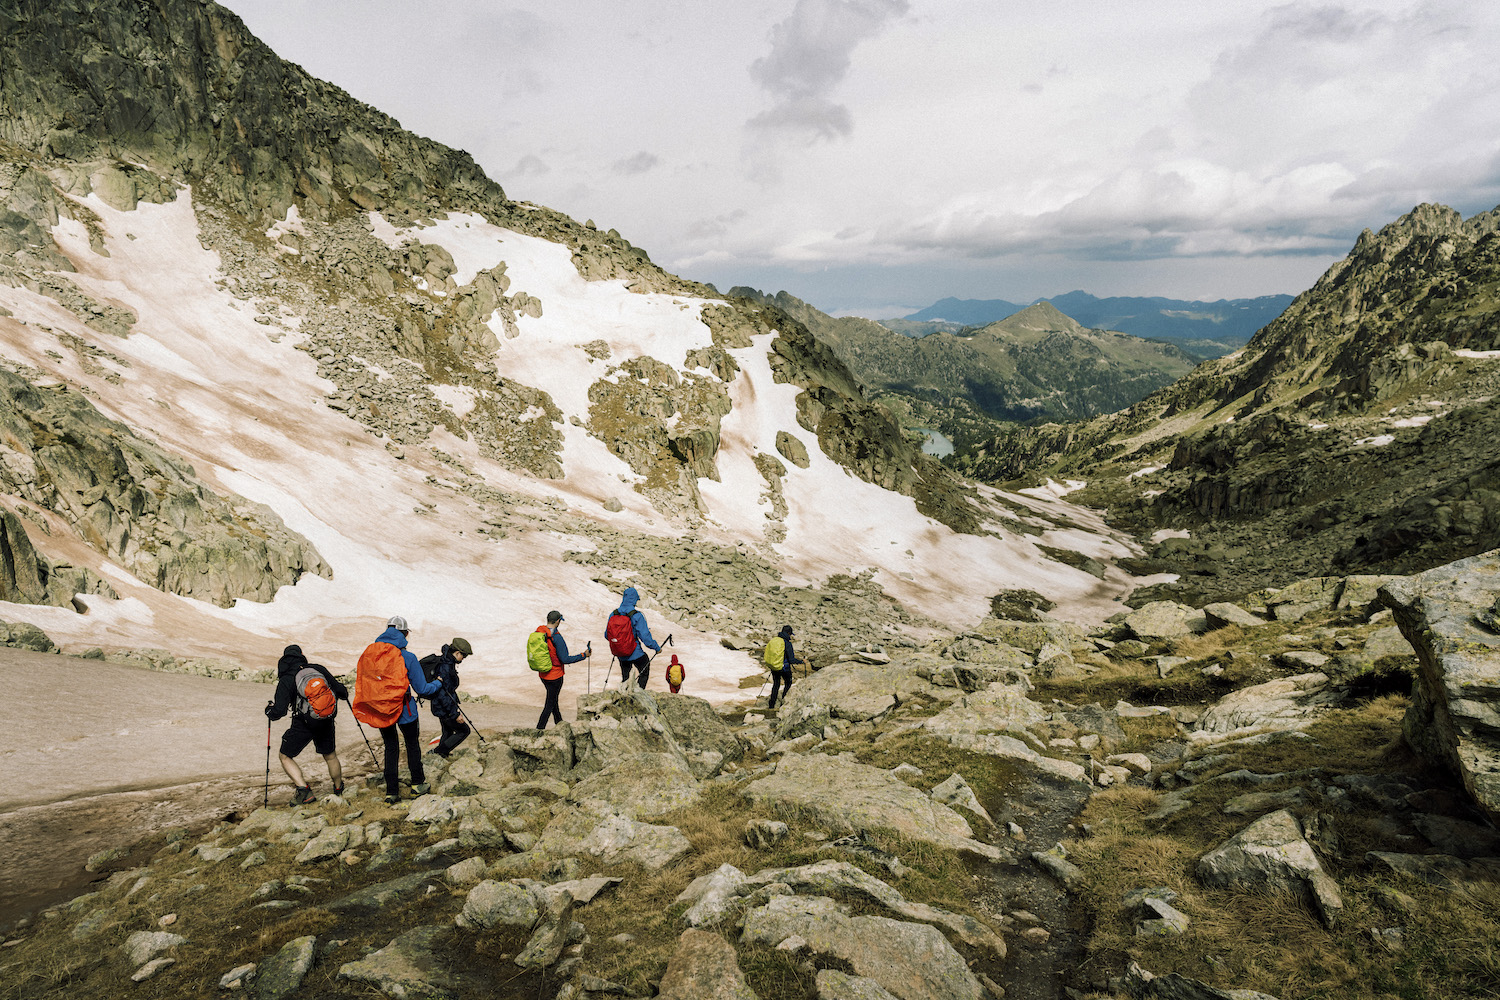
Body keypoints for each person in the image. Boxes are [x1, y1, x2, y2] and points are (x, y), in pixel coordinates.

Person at [368, 616, 442, 804]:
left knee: (390, 747)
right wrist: (438, 683)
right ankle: (417, 784)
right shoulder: (407, 657)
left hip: (382, 709)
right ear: (405, 634)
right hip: (405, 711)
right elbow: (422, 689)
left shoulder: (373, 656)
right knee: (411, 745)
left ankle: (392, 792)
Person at [264, 644, 348, 804]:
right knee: (330, 756)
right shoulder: (318, 669)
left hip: (303, 723)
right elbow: (341, 691)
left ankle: (304, 790)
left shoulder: (287, 678)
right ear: (301, 655)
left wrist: (269, 711)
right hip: (326, 720)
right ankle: (338, 789)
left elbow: (279, 711)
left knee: (285, 756)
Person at [535, 610, 589, 729]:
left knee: (553, 700)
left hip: (543, 674)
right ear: (558, 621)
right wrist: (584, 655)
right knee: (550, 704)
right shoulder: (556, 637)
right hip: (555, 676)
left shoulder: (539, 633)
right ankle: (539, 730)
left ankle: (560, 724)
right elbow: (565, 659)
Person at [425, 637, 473, 757]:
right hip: (443, 707)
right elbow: (444, 695)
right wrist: (455, 714)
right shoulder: (446, 667)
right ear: (457, 653)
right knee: (464, 730)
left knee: (448, 731)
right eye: (464, 656)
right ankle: (438, 752)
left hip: (439, 706)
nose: (464, 659)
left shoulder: (446, 662)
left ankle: (441, 755)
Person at [606, 586, 661, 689]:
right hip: (635, 653)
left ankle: (625, 695)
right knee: (644, 670)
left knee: (626, 677)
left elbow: (607, 635)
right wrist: (657, 648)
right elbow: (646, 638)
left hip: (621, 654)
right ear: (635, 599)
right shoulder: (637, 615)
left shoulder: (613, 614)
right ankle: (639, 694)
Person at [767, 624, 805, 711]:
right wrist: (801, 662)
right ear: (789, 633)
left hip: (775, 666)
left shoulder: (775, 641)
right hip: (784, 668)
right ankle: (783, 703)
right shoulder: (787, 643)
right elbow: (791, 660)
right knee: (788, 683)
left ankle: (771, 705)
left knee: (776, 684)